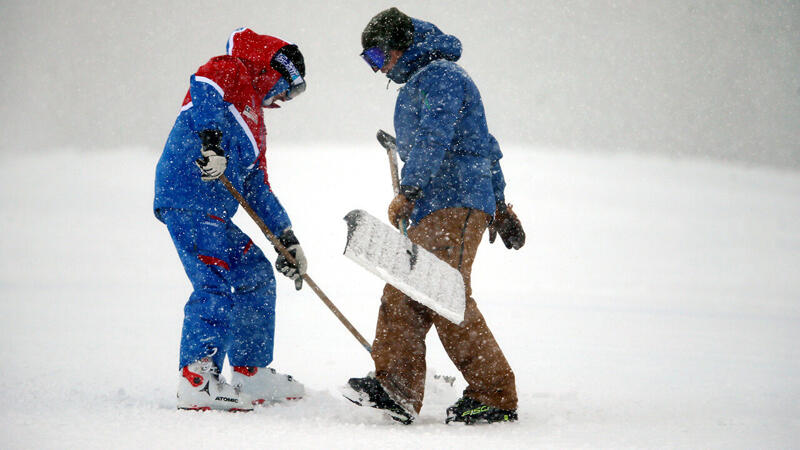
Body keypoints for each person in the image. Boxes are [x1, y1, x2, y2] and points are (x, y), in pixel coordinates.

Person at [343, 8, 526, 425]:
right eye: (369, 61)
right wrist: (498, 206)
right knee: (409, 292)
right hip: (439, 206)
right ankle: (397, 388)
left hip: (455, 202)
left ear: (400, 45)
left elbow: (436, 136)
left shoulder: (440, 76)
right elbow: (486, 145)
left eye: (378, 56)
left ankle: (495, 394)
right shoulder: (426, 80)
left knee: (442, 295)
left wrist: (409, 190)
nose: (378, 68)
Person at [154, 28, 308, 411]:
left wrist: (286, 238)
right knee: (215, 282)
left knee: (256, 274)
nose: (286, 99)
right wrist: (212, 144)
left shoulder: (256, 122)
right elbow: (204, 84)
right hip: (189, 196)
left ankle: (250, 373)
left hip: (215, 211)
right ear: (276, 70)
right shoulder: (232, 70)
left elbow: (257, 186)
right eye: (291, 88)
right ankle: (196, 378)